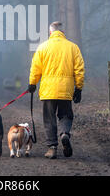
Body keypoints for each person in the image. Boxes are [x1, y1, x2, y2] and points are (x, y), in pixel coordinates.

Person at [28, 21, 85, 159]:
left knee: (49, 119)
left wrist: (32, 83)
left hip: (48, 90)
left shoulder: (42, 47)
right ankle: (64, 133)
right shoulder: (73, 47)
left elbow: (36, 68)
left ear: (50, 32)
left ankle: (52, 148)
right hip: (65, 90)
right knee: (65, 115)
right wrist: (78, 88)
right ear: (63, 32)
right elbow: (79, 69)